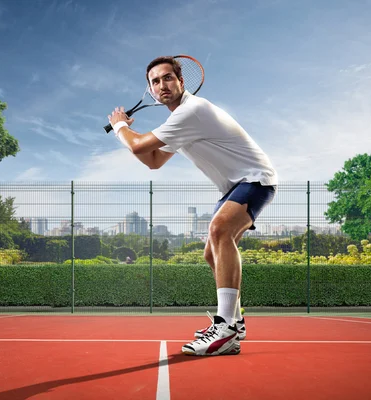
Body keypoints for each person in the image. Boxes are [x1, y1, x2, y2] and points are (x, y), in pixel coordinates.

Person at [107, 56, 277, 356]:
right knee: (212, 252)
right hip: (232, 187)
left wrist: (121, 127)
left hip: (255, 178)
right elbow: (154, 161)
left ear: (181, 81)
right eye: (155, 82)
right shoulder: (178, 122)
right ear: (151, 89)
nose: (162, 85)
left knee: (219, 229)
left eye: (168, 78)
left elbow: (138, 146)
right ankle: (235, 322)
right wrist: (128, 135)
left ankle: (224, 327)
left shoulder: (192, 110)